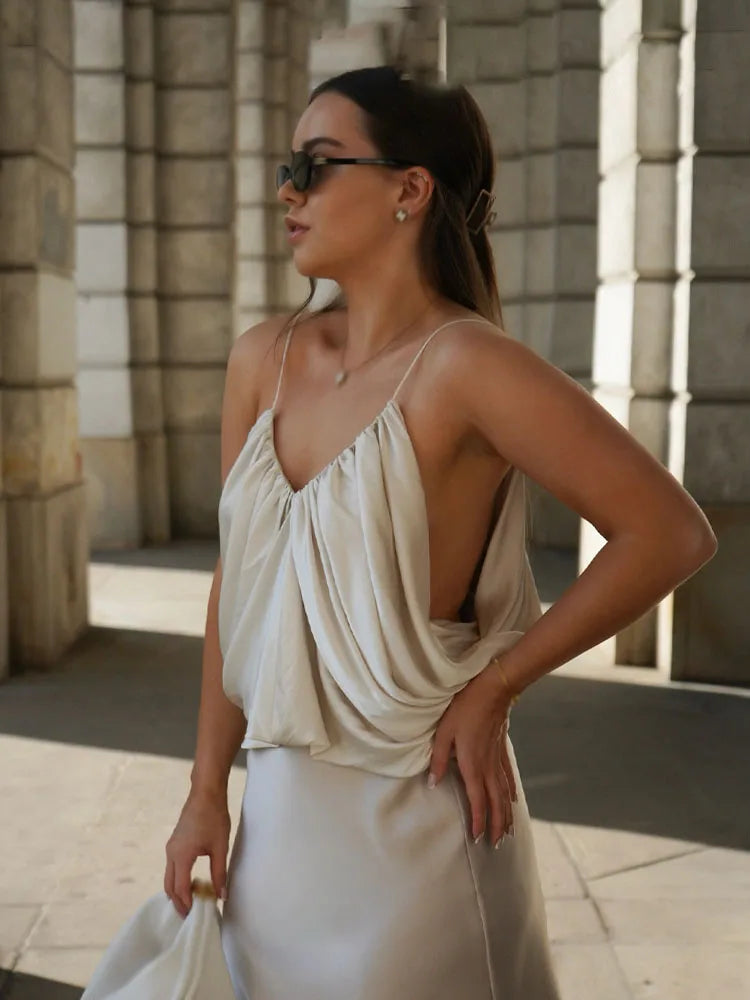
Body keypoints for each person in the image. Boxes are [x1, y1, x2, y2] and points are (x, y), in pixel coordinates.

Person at [163, 66, 717, 999]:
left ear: (409, 190)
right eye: (286, 165)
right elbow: (240, 584)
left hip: (415, 832)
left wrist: (497, 686)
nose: (289, 190)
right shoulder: (265, 357)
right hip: (278, 839)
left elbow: (668, 531)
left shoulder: (468, 365)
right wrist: (206, 790)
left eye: (318, 163)